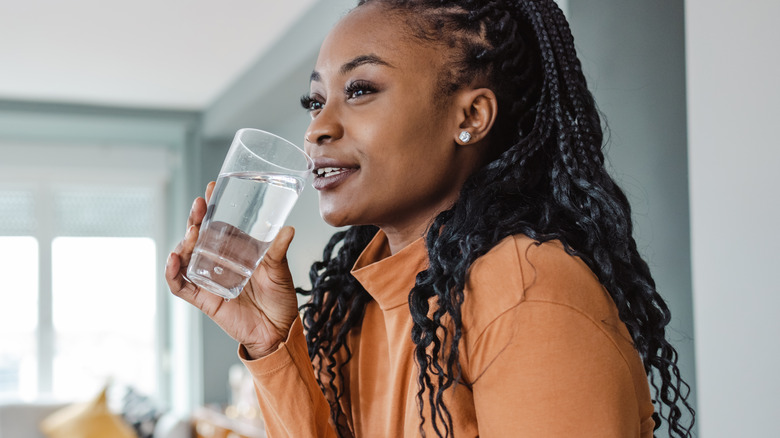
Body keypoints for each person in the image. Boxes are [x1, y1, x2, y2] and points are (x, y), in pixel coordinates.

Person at [166, 0, 695, 436]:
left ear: (470, 116)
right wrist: (271, 342)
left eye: (360, 90)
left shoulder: (527, 290)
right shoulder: (356, 306)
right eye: (315, 100)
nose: (317, 129)